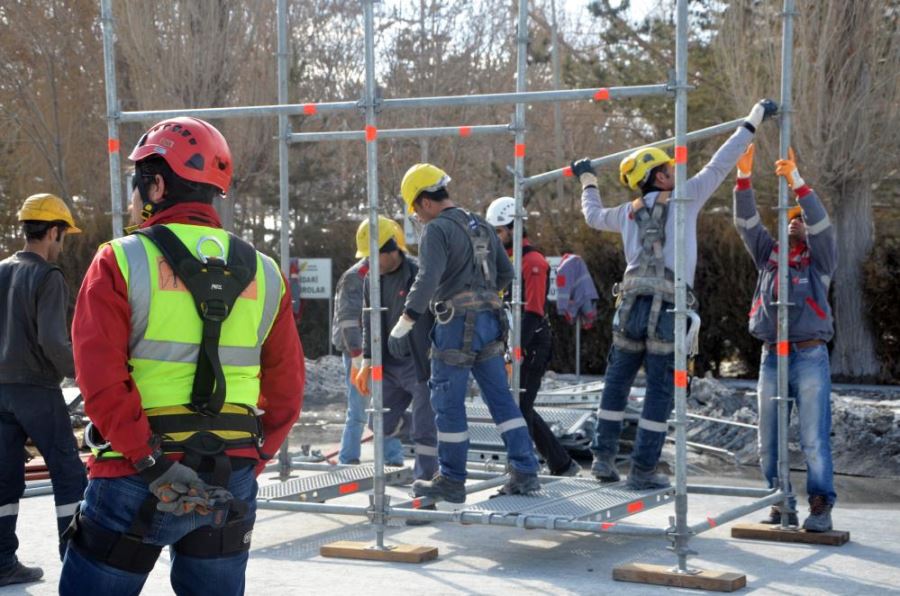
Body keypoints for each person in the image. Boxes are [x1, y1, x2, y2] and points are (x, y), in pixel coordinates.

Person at [59, 117, 304, 594]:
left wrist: (147, 458)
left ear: (155, 184)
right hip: (229, 471)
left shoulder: (120, 260)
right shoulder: (266, 272)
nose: (134, 199)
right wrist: (252, 458)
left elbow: (100, 379)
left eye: (137, 184)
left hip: (138, 470)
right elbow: (288, 388)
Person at [571, 99, 777, 490]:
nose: (674, 172)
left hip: (630, 308)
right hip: (668, 310)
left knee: (617, 383)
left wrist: (587, 180)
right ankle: (644, 470)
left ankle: (603, 460)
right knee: (660, 390)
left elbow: (592, 215)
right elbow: (721, 162)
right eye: (669, 169)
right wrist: (752, 121)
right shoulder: (686, 198)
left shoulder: (627, 213)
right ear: (659, 178)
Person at [392, 164, 540, 504]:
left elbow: (426, 279)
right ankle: (525, 471)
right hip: (491, 322)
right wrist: (484, 297)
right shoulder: (481, 225)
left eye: (416, 208)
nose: (417, 216)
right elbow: (506, 274)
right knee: (501, 399)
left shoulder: (437, 230)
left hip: (455, 325)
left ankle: (452, 479)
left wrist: (408, 320)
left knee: (448, 403)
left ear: (426, 201)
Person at [732, 144, 837, 532]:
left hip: (810, 355)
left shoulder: (821, 258)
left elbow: (821, 223)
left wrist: (796, 182)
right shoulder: (769, 255)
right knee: (769, 441)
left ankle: (821, 505)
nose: (795, 223)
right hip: (772, 356)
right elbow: (745, 223)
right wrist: (742, 180)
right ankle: (780, 502)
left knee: (812, 438)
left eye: (800, 220)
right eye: (789, 219)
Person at [0, 194, 87, 586]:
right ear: (53, 232)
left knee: (3, 477)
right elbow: (54, 341)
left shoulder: (1, 270)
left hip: (0, 391)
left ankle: (2, 563)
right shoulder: (48, 277)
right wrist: (85, 373)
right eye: (63, 234)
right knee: (70, 474)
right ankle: (76, 565)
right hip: (36, 389)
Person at [485, 197, 579, 477]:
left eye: (499, 232)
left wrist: (515, 350)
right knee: (521, 404)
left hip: (531, 343)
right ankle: (560, 463)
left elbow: (534, 311)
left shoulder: (533, 262)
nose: (496, 239)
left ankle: (525, 466)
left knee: (520, 405)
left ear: (514, 228)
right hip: (515, 341)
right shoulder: (505, 261)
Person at [352, 216, 438, 488]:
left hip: (419, 363)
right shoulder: (371, 281)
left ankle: (424, 484)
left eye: (373, 255)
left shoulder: (418, 273)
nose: (368, 262)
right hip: (389, 365)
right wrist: (367, 359)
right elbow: (368, 321)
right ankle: (417, 422)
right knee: (379, 424)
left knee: (425, 432)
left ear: (392, 249)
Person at [331, 225, 406, 467]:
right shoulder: (356, 277)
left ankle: (392, 459)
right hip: (357, 350)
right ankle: (348, 458)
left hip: (384, 349)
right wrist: (357, 357)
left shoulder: (393, 273)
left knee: (387, 406)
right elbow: (348, 320)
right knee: (359, 408)